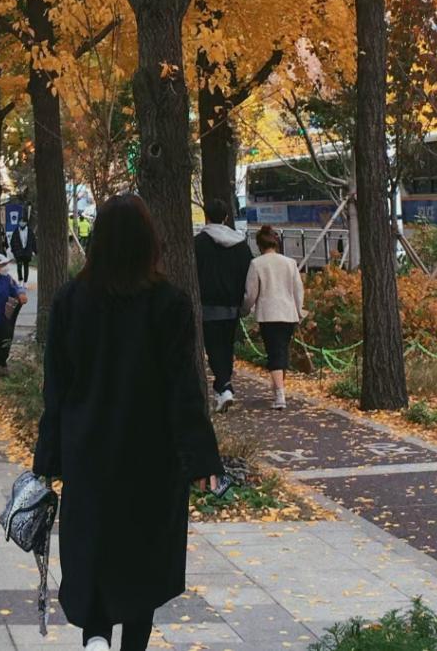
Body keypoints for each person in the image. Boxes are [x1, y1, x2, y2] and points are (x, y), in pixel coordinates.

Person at [34, 194, 221, 651]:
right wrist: (200, 459)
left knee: (93, 550)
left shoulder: (70, 300)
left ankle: (95, 638)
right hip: (150, 459)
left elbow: (56, 385)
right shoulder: (168, 304)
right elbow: (183, 389)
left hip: (89, 453)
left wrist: (49, 458)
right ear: (149, 244)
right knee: (143, 559)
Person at [193, 198, 252, 413]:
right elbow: (249, 274)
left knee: (214, 347)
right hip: (232, 306)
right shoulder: (240, 245)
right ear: (226, 217)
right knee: (226, 347)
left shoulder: (197, 244)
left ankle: (224, 387)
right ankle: (223, 387)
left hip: (207, 305)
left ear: (206, 216)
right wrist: (244, 303)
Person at [241, 224, 305, 410]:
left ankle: (279, 394)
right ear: (276, 242)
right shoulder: (289, 263)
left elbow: (251, 293)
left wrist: (245, 309)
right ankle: (278, 389)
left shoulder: (257, 264)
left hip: (268, 313)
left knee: (274, 353)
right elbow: (298, 290)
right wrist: (298, 311)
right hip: (288, 313)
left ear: (259, 245)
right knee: (281, 351)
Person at [9, 219, 37, 284]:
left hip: (27, 251)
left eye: (23, 221)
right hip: (19, 251)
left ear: (26, 222)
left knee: (26, 267)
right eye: (21, 221)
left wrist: (34, 251)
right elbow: (12, 242)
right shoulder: (16, 231)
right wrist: (13, 250)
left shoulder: (30, 231)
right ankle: (20, 280)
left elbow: (33, 241)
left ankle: (25, 281)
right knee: (19, 266)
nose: (22, 223)